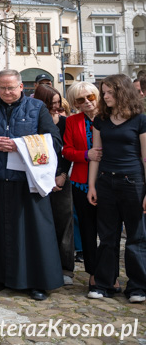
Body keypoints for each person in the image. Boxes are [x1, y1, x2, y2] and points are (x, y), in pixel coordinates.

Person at [0, 69, 63, 301]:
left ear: (22, 87)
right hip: (0, 178)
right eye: (2, 88)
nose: (7, 92)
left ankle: (37, 282)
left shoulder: (37, 108)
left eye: (11, 87)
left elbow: (54, 141)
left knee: (34, 235)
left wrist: (21, 145)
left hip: (29, 181)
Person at [86, 74, 146, 303]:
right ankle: (104, 284)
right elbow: (96, 154)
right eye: (104, 92)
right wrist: (92, 185)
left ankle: (138, 286)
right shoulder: (101, 119)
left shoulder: (140, 120)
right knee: (108, 236)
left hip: (133, 183)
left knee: (136, 237)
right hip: (106, 182)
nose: (105, 96)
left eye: (110, 92)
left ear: (122, 92)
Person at [62, 82, 118, 295]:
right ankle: (94, 274)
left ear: (98, 97)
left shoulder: (113, 117)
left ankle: (111, 276)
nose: (86, 102)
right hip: (80, 183)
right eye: (80, 100)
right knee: (87, 230)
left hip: (110, 182)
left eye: (90, 97)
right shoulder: (72, 121)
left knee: (109, 232)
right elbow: (66, 150)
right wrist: (86, 155)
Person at [33, 83, 75, 286]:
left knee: (64, 222)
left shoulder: (65, 122)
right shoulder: (33, 122)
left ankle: (66, 267)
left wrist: (62, 175)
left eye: (58, 103)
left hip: (60, 179)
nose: (56, 107)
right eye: (52, 103)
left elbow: (66, 151)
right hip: (39, 179)